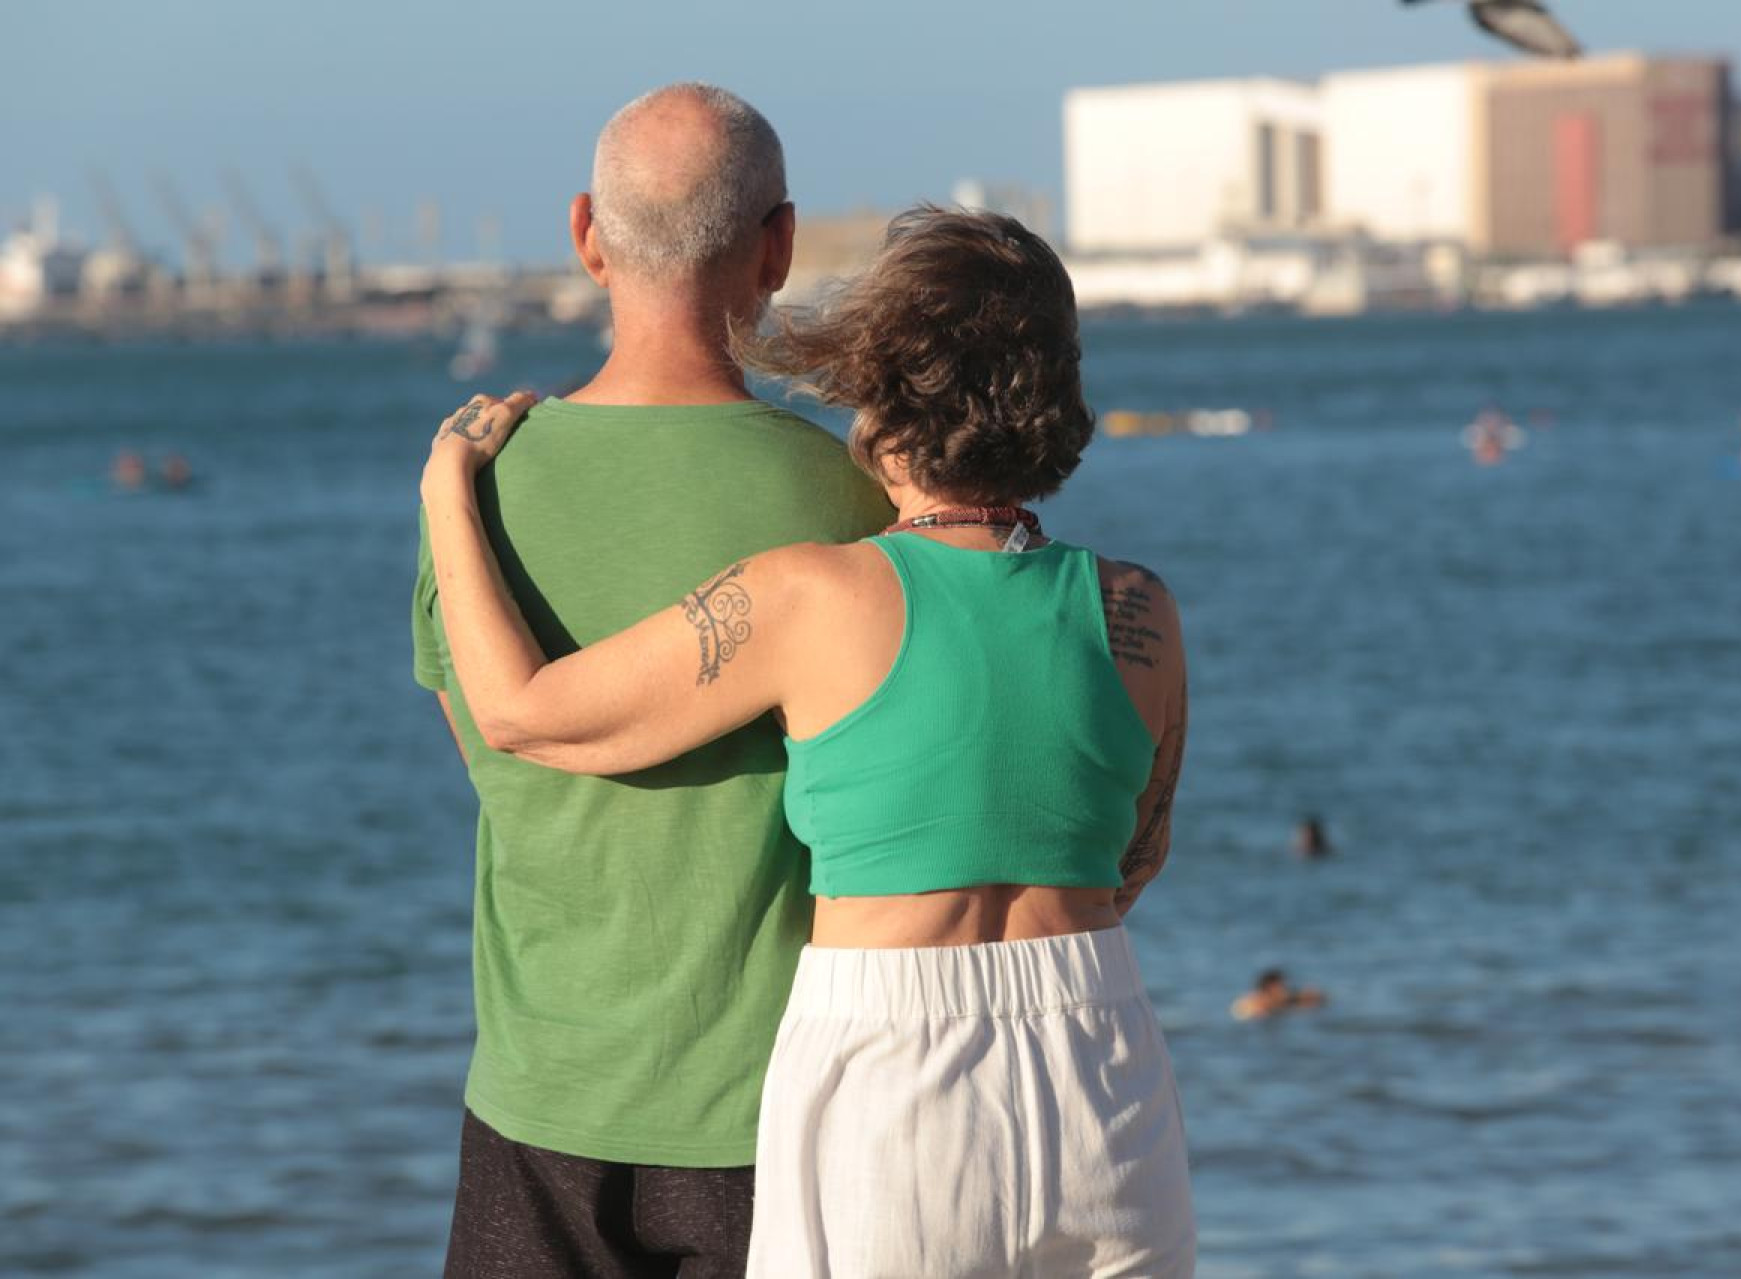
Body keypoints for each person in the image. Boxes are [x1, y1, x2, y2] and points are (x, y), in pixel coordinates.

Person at [421, 207, 1196, 1277]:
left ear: (882, 393)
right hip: (1104, 1063)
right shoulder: (1140, 610)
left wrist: (447, 489)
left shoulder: (812, 596)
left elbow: (517, 712)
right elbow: (1136, 856)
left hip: (895, 1080)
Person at [410, 84, 894, 1278]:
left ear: (587, 233)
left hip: (538, 1095)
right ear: (779, 247)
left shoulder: (476, 488)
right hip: (769, 1109)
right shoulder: (850, 500)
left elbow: (491, 752)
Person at [1231, 969, 1325, 1020]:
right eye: (1281, 986)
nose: (1284, 989)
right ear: (1270, 986)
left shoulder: (1285, 1002)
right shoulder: (1253, 1002)